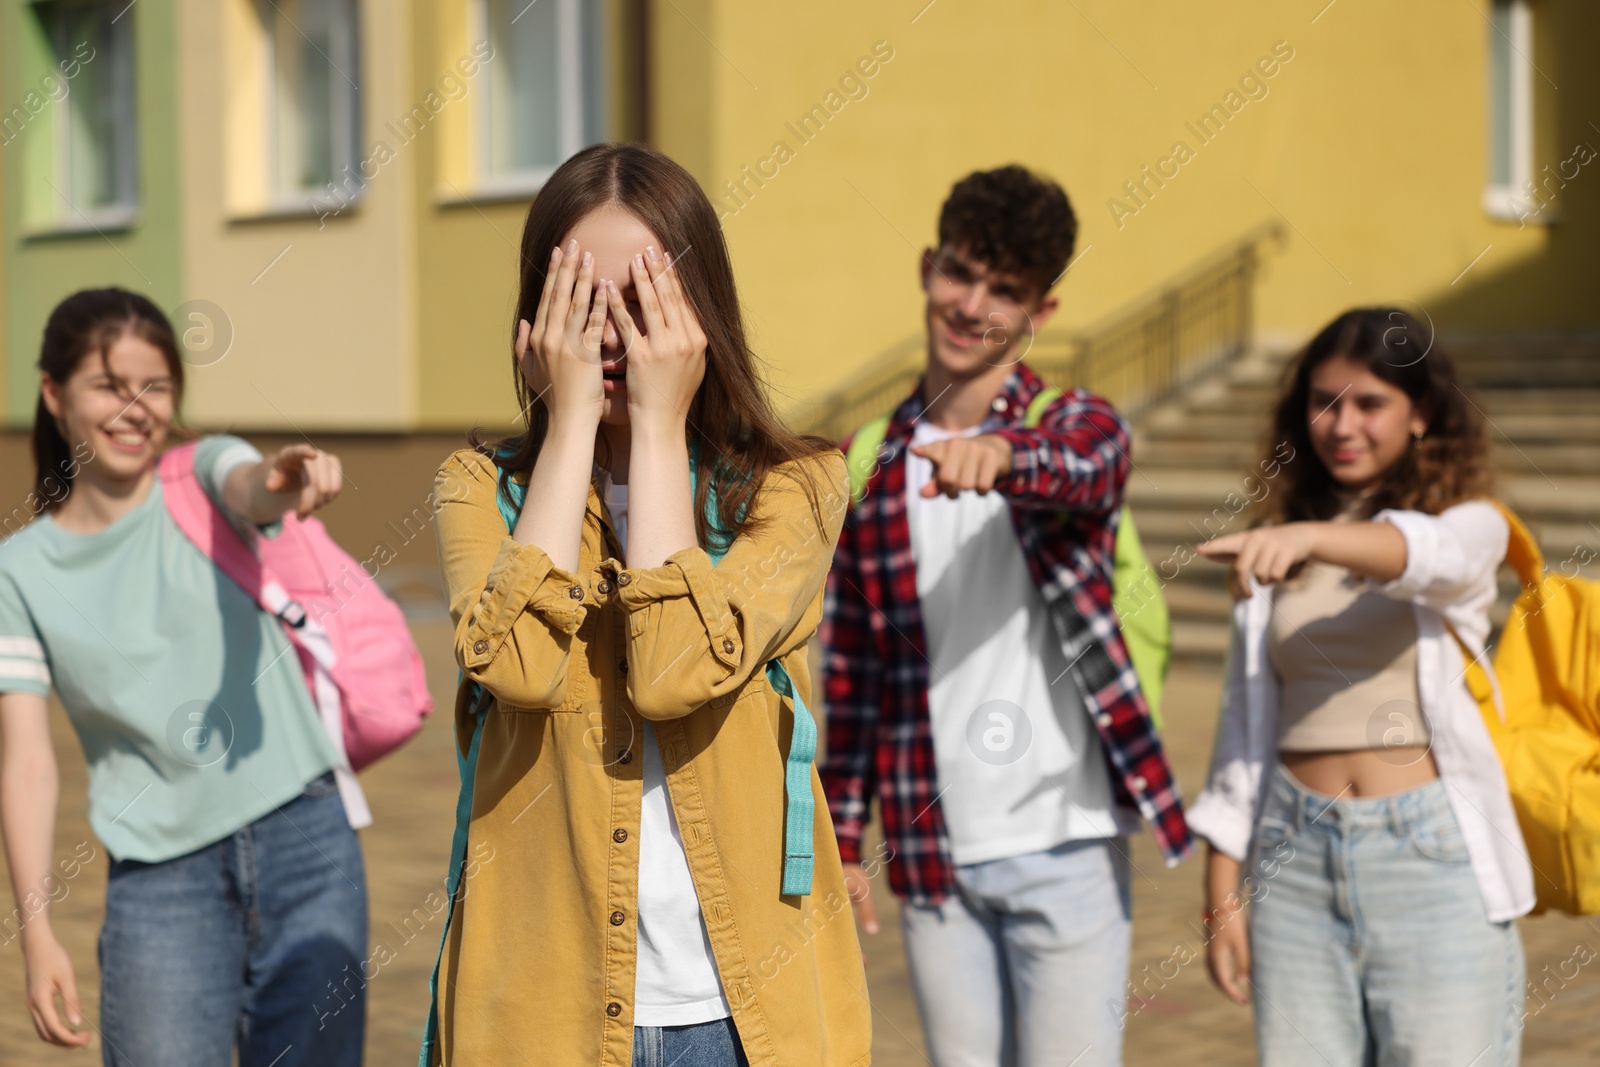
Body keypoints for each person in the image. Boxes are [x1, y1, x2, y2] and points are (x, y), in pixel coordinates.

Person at [423, 142, 871, 1067]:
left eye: (643, 299)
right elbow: (519, 666)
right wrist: (572, 422)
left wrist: (661, 427)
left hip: (740, 1013)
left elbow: (673, 672)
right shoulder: (482, 487)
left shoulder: (796, 488)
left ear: (698, 306)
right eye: (586, 301)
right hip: (544, 1015)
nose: (615, 334)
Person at [818, 164, 1192, 1067]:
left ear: (1040, 316)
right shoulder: (870, 456)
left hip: (1064, 837)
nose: (972, 303)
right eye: (960, 272)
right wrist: (839, 827)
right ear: (927, 267)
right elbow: (858, 667)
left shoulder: (1076, 422)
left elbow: (1089, 466)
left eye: (1005, 290)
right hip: (932, 847)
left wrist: (1001, 455)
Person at [0, 288, 366, 1065]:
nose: (135, 408)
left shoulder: (198, 476)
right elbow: (27, 763)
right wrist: (35, 932)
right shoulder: (18, 571)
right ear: (54, 393)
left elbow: (251, 482)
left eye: (156, 387)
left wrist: (285, 477)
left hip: (306, 837)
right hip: (160, 882)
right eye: (109, 385)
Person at [1189, 308, 1532, 1065]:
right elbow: (1242, 730)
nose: (1341, 424)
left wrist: (1308, 538)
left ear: (1423, 415)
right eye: (1323, 401)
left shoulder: (1470, 524)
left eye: (1370, 403)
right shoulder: (1279, 540)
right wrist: (1221, 892)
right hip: (1290, 852)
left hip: (1429, 857)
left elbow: (1424, 553)